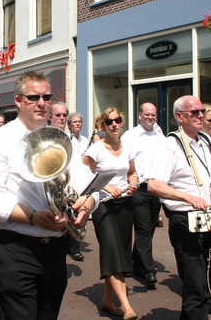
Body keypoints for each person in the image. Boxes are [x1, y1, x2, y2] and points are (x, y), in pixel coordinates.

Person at [0, 71, 97, 320]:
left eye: (46, 97)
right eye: (33, 97)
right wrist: (33, 217)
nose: (42, 103)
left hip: (55, 248)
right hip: (17, 249)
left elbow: (80, 180)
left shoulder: (62, 139)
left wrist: (87, 203)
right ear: (18, 100)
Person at [147, 95, 211, 320]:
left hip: (210, 219)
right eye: (194, 112)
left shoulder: (208, 142)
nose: (201, 115)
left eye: (201, 111)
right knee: (195, 284)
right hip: (185, 221)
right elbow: (154, 185)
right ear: (179, 117)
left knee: (203, 285)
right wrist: (188, 197)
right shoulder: (169, 144)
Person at [83, 107, 138, 319]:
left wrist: (132, 183)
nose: (114, 125)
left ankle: (107, 300)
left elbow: (132, 172)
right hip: (103, 205)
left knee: (120, 252)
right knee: (113, 251)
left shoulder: (128, 147)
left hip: (125, 205)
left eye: (117, 120)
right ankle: (126, 307)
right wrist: (105, 187)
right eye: (109, 122)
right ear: (103, 126)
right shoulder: (96, 148)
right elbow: (84, 174)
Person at [120, 102, 163, 290]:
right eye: (147, 114)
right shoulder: (130, 136)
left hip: (156, 188)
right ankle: (148, 270)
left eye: (153, 115)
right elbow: (124, 161)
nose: (150, 117)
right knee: (143, 229)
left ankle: (136, 263)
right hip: (139, 188)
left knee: (150, 228)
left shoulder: (160, 135)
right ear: (139, 115)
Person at [48, 102, 84, 262]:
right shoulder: (43, 136)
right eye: (58, 115)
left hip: (66, 191)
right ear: (50, 117)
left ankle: (73, 251)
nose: (62, 118)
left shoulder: (72, 141)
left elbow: (77, 168)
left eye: (64, 115)